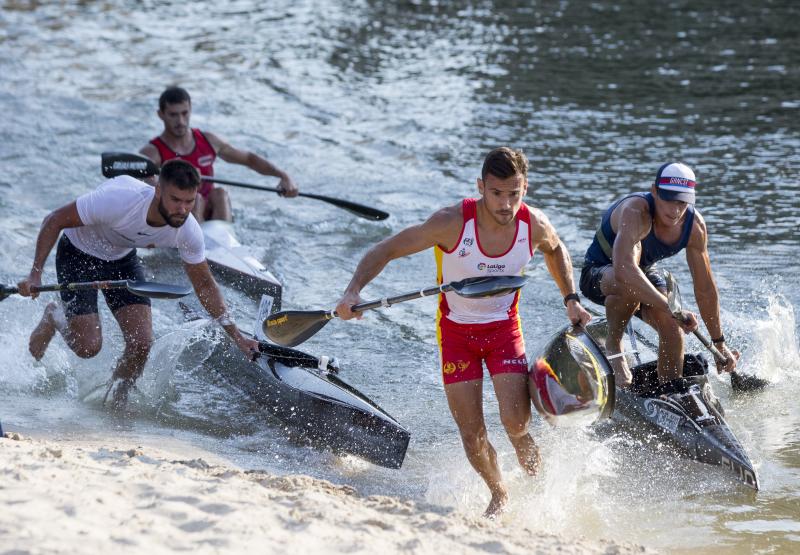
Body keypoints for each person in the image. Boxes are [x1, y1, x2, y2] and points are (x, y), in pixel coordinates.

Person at [335, 147, 591, 518]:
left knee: (516, 424)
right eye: (497, 193)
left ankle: (543, 490)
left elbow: (556, 250)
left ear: (525, 188)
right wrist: (353, 291)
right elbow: (385, 249)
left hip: (504, 330)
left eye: (514, 194)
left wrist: (570, 298)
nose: (506, 204)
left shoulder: (533, 225)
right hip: (457, 336)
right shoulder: (451, 223)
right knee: (472, 434)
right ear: (480, 187)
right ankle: (499, 493)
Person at [17, 160, 260, 407]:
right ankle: (54, 315)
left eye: (189, 201)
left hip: (121, 258)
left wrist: (237, 337)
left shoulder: (188, 230)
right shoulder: (119, 200)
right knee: (88, 347)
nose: (183, 209)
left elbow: (205, 286)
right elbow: (54, 219)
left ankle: (116, 400)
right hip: (79, 253)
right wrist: (35, 273)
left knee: (142, 344)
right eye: (175, 200)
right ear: (157, 190)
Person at [579, 162, 738, 389]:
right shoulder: (636, 212)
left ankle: (671, 393)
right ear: (654, 191)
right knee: (633, 288)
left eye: (682, 203)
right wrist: (671, 308)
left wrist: (719, 343)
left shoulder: (695, 228)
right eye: (668, 200)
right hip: (600, 273)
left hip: (641, 272)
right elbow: (624, 269)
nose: (674, 211)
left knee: (673, 328)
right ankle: (613, 345)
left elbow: (705, 289)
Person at [139, 86, 298, 223]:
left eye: (184, 113)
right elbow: (143, 190)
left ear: (191, 110)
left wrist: (283, 176)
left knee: (221, 194)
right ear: (161, 115)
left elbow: (249, 159)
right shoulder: (152, 153)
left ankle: (225, 241)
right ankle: (194, 246)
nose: (180, 121)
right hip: (181, 211)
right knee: (197, 200)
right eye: (173, 115)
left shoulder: (209, 141)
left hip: (210, 208)